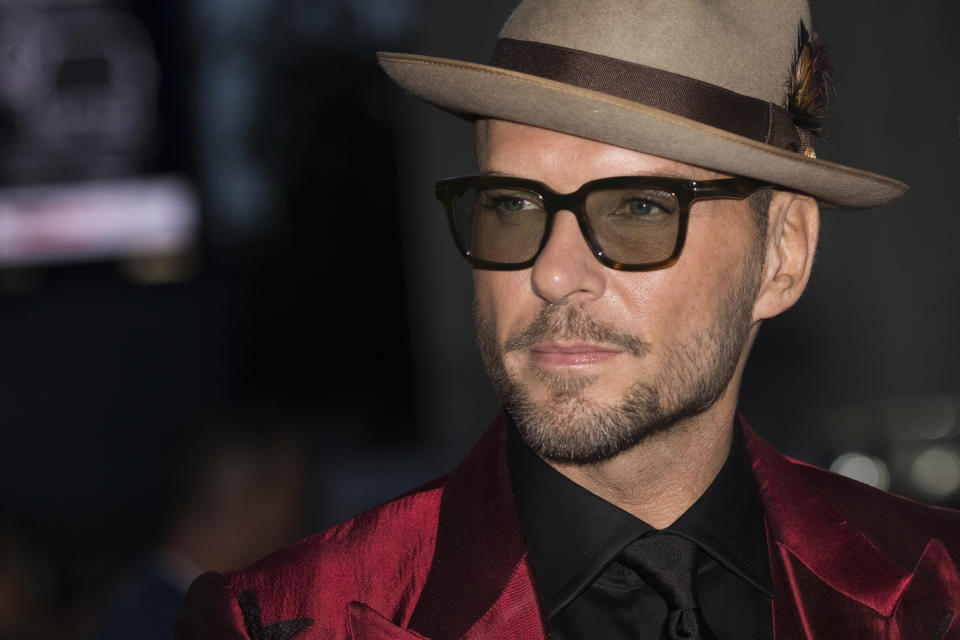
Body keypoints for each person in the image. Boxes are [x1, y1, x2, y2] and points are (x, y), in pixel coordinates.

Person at [176, 0, 960, 638]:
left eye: (640, 208)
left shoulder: (938, 590)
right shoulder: (287, 622)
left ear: (781, 254)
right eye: (513, 205)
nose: (550, 273)